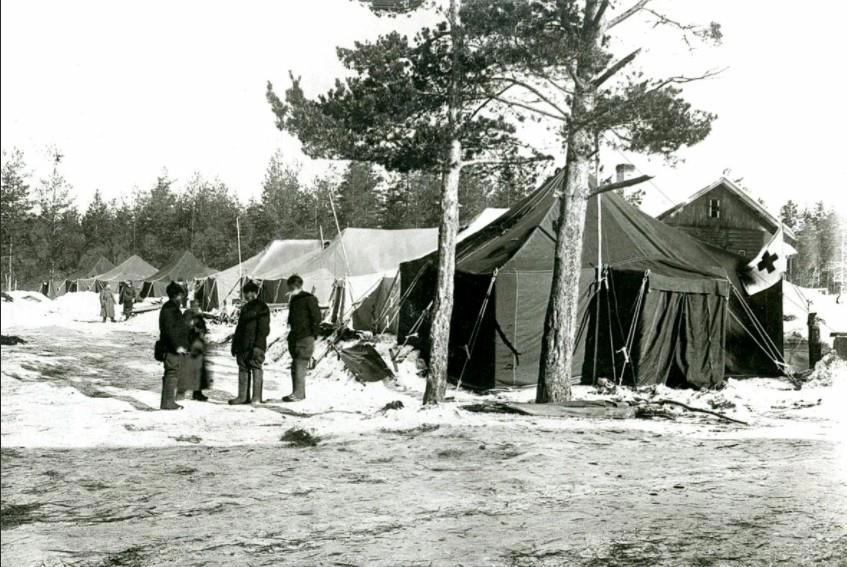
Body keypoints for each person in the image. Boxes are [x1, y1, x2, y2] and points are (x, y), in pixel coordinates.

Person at [229, 281, 270, 405]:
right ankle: (242, 397)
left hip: (255, 345)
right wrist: (235, 345)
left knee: (256, 367)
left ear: (257, 293)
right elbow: (239, 328)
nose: (248, 296)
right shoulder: (245, 308)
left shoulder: (263, 307)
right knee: (243, 368)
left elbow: (264, 329)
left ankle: (256, 397)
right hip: (242, 345)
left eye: (251, 293)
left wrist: (258, 346)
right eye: (246, 293)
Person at [284, 274, 321, 402]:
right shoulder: (294, 299)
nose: (288, 290)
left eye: (289, 287)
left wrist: (313, 335)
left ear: (294, 286)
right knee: (295, 365)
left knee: (300, 364)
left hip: (305, 337)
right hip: (295, 337)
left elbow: (316, 318)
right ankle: (297, 392)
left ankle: (298, 394)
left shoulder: (309, 298)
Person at [159, 281, 190, 410]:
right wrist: (179, 346)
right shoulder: (171, 309)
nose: (182, 298)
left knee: (171, 372)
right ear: (176, 295)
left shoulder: (170, 307)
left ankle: (168, 401)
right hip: (171, 347)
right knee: (171, 372)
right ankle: (168, 402)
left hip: (170, 346)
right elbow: (171, 331)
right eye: (181, 295)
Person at [178, 307, 212, 402]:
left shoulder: (199, 318)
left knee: (199, 372)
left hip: (198, 348)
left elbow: (203, 331)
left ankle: (197, 393)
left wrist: (201, 331)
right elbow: (184, 331)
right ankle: (181, 392)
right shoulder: (188, 315)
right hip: (190, 347)